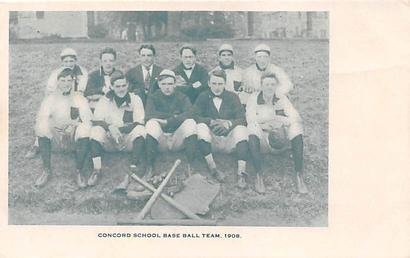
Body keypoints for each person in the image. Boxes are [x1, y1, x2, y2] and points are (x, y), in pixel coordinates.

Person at [246, 72, 308, 194]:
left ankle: (299, 175)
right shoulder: (254, 97)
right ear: (261, 85)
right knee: (252, 127)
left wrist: (280, 121)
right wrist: (267, 122)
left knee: (296, 127)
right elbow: (250, 118)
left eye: (272, 84)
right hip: (263, 139)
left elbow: (296, 117)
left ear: (276, 86)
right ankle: (259, 175)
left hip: (280, 138)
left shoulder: (281, 98)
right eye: (267, 84)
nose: (270, 87)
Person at [34, 68, 92, 188]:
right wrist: (58, 125)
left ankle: (79, 170)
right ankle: (46, 170)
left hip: (73, 136)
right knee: (41, 126)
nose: (66, 83)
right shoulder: (50, 99)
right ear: (58, 82)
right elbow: (42, 118)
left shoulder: (79, 98)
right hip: (56, 136)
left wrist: (73, 125)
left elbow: (87, 119)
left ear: (73, 82)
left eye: (69, 80)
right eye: (63, 80)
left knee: (85, 129)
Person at [25, 48, 89, 159]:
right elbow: (49, 91)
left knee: (79, 120)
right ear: (62, 62)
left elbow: (81, 91)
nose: (68, 64)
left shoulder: (82, 72)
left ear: (75, 61)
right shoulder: (56, 73)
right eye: (66, 61)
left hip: (75, 100)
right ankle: (37, 144)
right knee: (45, 119)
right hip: (58, 99)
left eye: (71, 61)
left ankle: (76, 142)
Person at [192, 69, 250, 187]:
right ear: (208, 83)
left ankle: (241, 173)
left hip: (229, 140)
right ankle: (213, 168)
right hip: (211, 141)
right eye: (214, 83)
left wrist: (228, 123)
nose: (217, 87)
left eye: (220, 84)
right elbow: (194, 115)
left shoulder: (233, 97)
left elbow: (242, 118)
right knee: (201, 127)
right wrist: (210, 121)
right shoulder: (203, 96)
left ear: (225, 84)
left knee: (241, 130)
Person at [89, 70, 146, 188]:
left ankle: (134, 166)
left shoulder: (135, 99)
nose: (121, 89)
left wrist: (120, 130)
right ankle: (97, 169)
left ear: (128, 85)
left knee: (141, 130)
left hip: (127, 140)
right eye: (118, 86)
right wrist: (110, 127)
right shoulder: (105, 100)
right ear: (111, 87)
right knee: (95, 131)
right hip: (110, 139)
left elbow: (138, 122)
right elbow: (96, 120)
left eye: (124, 85)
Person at [145, 69, 198, 179]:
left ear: (175, 84)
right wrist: (172, 116)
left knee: (191, 123)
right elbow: (149, 115)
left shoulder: (182, 97)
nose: (167, 87)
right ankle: (149, 166)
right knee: (151, 124)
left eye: (170, 84)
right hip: (161, 140)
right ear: (159, 84)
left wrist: (169, 121)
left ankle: (190, 165)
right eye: (163, 84)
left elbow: (190, 113)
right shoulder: (153, 97)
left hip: (177, 139)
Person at [84, 47, 118, 112]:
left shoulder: (119, 75)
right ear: (101, 62)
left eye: (111, 61)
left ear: (115, 62)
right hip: (97, 108)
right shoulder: (93, 75)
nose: (108, 63)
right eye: (105, 61)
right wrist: (102, 89)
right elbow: (87, 92)